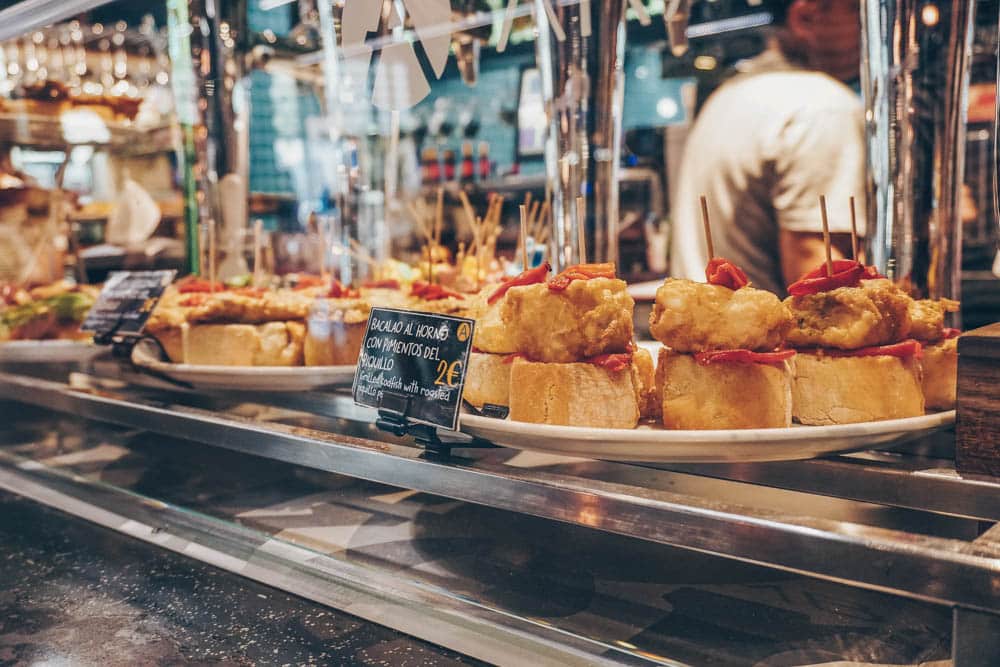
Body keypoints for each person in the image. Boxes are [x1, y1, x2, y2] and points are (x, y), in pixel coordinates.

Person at [670, 0, 863, 295]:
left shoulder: (727, 95)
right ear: (807, 16)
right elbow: (821, 282)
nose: (865, 30)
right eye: (855, 11)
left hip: (704, 331)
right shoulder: (822, 105)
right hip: (767, 338)